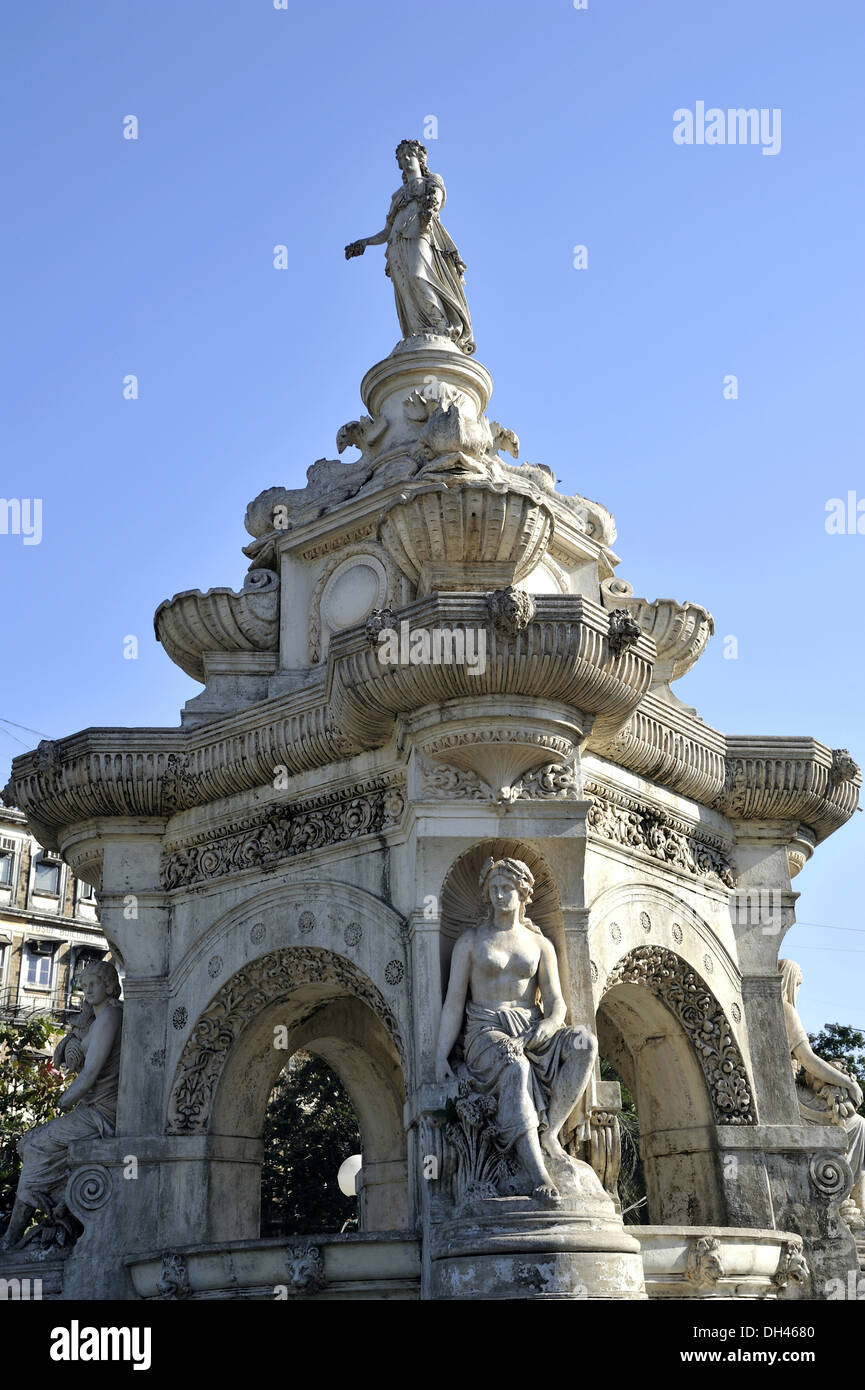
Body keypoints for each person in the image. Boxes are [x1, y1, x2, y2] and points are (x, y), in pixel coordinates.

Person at [436, 856, 596, 1201]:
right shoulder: (470, 941)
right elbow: (452, 1004)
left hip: (532, 1028)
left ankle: (550, 1131)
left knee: (585, 1043)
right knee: (516, 1066)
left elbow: (556, 1001)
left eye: (506, 888)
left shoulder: (540, 944)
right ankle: (537, 1173)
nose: (499, 895)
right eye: (493, 889)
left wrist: (551, 1025)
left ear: (523, 892)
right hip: (486, 1032)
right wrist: (441, 1057)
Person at [1, 959, 123, 1251]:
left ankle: (13, 1237)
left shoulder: (110, 1018)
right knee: (29, 1143)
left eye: (95, 984)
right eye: (85, 984)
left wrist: (63, 1102)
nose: (88, 989)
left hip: (102, 1113)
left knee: (35, 1147)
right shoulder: (96, 1019)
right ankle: (55, 1206)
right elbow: (66, 1057)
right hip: (90, 1109)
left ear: (109, 986)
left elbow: (92, 1071)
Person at [345, 139, 475, 354]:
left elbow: (437, 198)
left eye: (408, 155)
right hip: (396, 243)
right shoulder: (397, 195)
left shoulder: (431, 180)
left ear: (420, 158)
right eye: (400, 158)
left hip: (420, 234)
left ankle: (441, 328)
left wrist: (430, 209)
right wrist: (365, 242)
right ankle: (418, 331)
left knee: (418, 276)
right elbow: (387, 230)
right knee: (405, 287)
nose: (404, 160)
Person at [779, 958, 865, 1226]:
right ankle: (843, 1197)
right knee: (857, 1124)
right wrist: (849, 1083)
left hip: (788, 1092)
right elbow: (809, 1060)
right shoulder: (784, 1010)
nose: (799, 990)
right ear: (790, 981)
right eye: (799, 984)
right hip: (788, 1096)